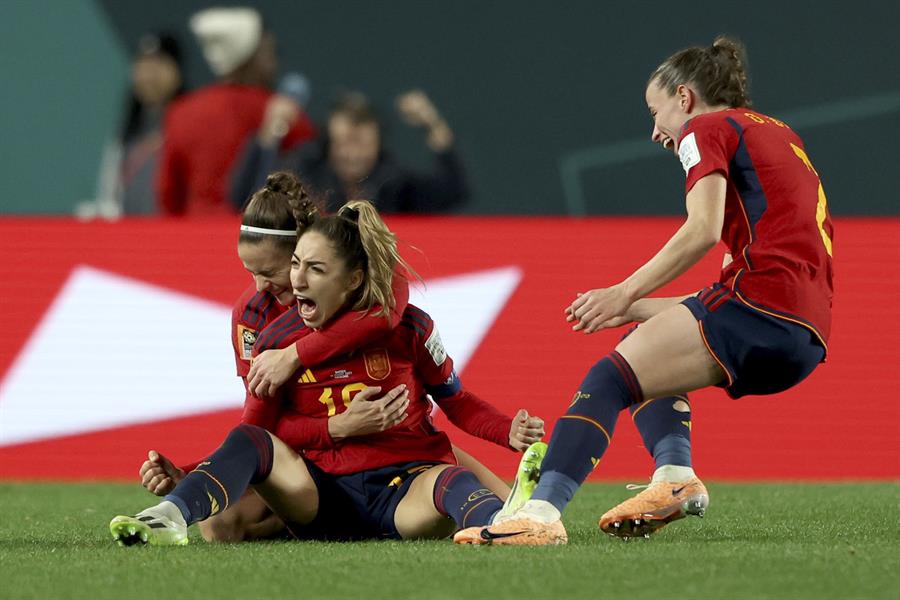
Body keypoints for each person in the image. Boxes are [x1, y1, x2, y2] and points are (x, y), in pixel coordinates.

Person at [456, 36, 834, 545]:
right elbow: (729, 293)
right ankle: (674, 478)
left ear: (685, 98)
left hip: (761, 310)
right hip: (804, 335)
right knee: (646, 332)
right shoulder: (779, 134)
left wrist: (621, 290)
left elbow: (700, 230)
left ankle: (540, 515)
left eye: (656, 112)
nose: (656, 132)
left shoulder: (706, 127)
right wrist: (636, 306)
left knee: (608, 379)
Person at [110, 193, 545, 545]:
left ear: (353, 279)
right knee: (242, 466)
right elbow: (259, 433)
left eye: (314, 269)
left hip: (402, 486)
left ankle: (507, 526)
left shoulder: (407, 324)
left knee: (452, 480)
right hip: (320, 494)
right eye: (296, 265)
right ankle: (169, 516)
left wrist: (507, 431)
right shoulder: (272, 340)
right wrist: (337, 427)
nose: (294, 281)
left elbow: (457, 400)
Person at [157, 7, 315, 216]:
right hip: (259, 239)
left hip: (193, 235)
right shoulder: (281, 112)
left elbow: (168, 194)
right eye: (269, 52)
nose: (274, 63)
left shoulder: (181, 111)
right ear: (251, 56)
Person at [230, 90, 468, 214]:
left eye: (364, 143)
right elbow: (245, 199)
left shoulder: (393, 181)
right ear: (329, 144)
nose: (353, 153)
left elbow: (453, 191)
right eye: (344, 142)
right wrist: (269, 136)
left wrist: (433, 124)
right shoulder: (303, 176)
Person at [79, 33, 185, 218]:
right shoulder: (127, 132)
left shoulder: (190, 125)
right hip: (131, 234)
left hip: (174, 232)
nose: (149, 75)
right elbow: (109, 194)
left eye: (158, 64)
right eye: (142, 65)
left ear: (176, 70)